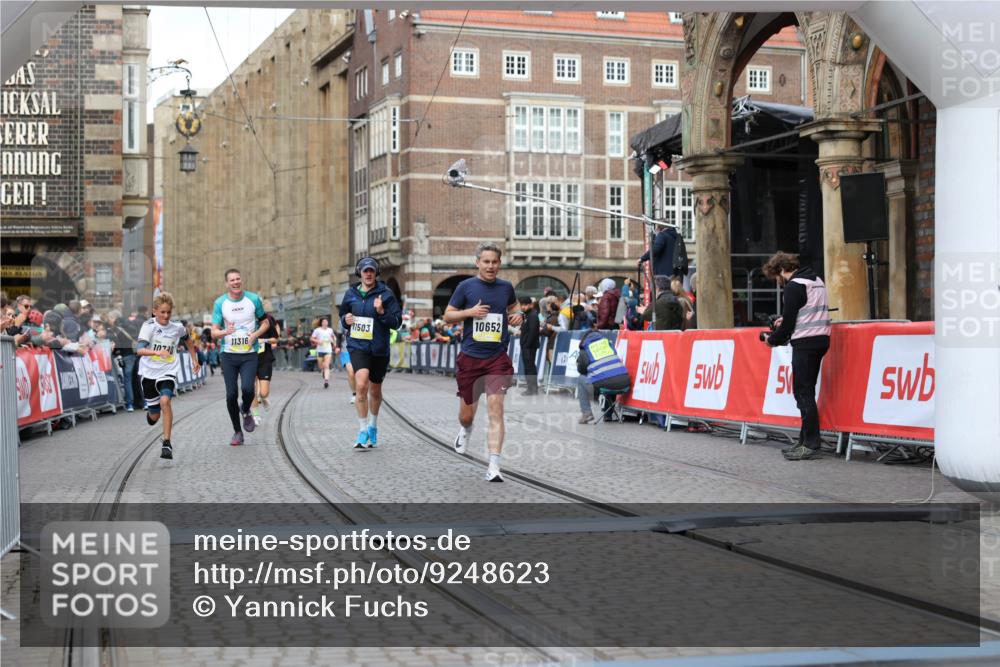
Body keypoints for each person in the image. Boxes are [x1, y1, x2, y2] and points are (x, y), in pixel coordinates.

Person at [444, 242, 523, 482]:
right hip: (470, 358)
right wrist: (469, 313)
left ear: (499, 263)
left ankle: (494, 466)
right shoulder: (465, 287)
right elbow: (448, 315)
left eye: (494, 262)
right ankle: (466, 429)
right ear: (477, 262)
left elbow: (514, 305)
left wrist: (518, 314)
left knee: (496, 409)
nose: (490, 266)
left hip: (497, 358)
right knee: (466, 415)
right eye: (486, 262)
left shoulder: (506, 287)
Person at [763, 251, 831, 461]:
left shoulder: (793, 286)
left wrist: (772, 340)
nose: (779, 281)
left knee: (803, 393)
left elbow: (788, 326)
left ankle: (811, 444)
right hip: (821, 340)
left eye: (777, 276)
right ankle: (804, 440)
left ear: (782, 269)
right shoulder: (816, 280)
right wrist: (785, 320)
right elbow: (806, 310)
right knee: (806, 391)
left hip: (805, 342)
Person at [339, 257, 403, 449]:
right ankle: (362, 430)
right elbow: (343, 315)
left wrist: (382, 312)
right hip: (358, 346)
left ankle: (373, 425)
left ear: (376, 274)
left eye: (371, 271)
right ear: (359, 273)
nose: (368, 274)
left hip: (379, 348)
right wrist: (345, 320)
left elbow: (397, 322)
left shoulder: (386, 294)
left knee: (375, 390)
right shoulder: (351, 294)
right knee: (361, 384)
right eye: (365, 271)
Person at [136, 292, 200, 460]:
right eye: (162, 312)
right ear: (155, 311)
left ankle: (167, 443)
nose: (166, 316)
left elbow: (188, 340)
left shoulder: (177, 327)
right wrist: (157, 352)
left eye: (169, 312)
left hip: (168, 371)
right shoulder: (148, 326)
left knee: (165, 401)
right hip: (149, 373)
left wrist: (194, 359)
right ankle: (151, 415)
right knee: (154, 416)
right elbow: (139, 350)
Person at [211, 268, 268, 446]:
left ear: (241, 280)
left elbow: (265, 322)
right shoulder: (220, 303)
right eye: (232, 280)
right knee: (231, 395)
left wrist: (255, 335)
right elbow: (213, 332)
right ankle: (237, 432)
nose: (236, 282)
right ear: (227, 283)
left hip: (249, 354)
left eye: (238, 279)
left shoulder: (253, 299)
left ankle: (245, 409)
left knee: (248, 390)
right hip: (228, 355)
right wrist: (224, 331)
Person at [576, 326, 631, 424]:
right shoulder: (608, 344)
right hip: (625, 383)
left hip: (607, 383)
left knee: (581, 379)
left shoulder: (586, 347)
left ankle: (586, 413)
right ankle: (608, 415)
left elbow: (581, 370)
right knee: (610, 377)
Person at [251, 304, 281, 423]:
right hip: (248, 359)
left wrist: (264, 340)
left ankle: (263, 398)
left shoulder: (267, 320)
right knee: (251, 389)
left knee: (264, 392)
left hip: (264, 359)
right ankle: (255, 415)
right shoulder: (244, 321)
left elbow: (275, 339)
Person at [106, 310, 138, 412]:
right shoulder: (131, 325)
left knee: (127, 380)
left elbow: (117, 344)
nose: (108, 320)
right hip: (136, 353)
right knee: (137, 378)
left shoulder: (116, 329)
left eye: (110, 318)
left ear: (114, 318)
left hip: (125, 355)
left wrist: (116, 353)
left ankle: (130, 404)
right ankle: (144, 402)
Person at [517, 296, 540, 396]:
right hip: (526, 345)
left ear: (531, 305)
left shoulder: (533, 315)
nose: (523, 307)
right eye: (522, 305)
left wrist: (527, 345)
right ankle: (531, 388)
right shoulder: (527, 315)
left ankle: (532, 389)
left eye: (525, 305)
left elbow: (533, 331)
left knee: (530, 367)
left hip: (529, 346)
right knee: (528, 367)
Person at [311, 317, 336, 389]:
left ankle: (326, 381)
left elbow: (333, 337)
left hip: (328, 350)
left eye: (326, 321)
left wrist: (334, 343)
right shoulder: (317, 330)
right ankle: (323, 371)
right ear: (321, 323)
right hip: (320, 350)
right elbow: (311, 338)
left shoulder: (330, 330)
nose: (325, 323)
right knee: (321, 366)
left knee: (326, 365)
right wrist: (318, 341)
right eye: (324, 322)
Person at [336, 329, 357, 404]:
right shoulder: (342, 322)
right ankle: (354, 394)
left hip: (361, 350)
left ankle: (361, 391)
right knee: (351, 372)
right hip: (346, 350)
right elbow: (339, 335)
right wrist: (338, 347)